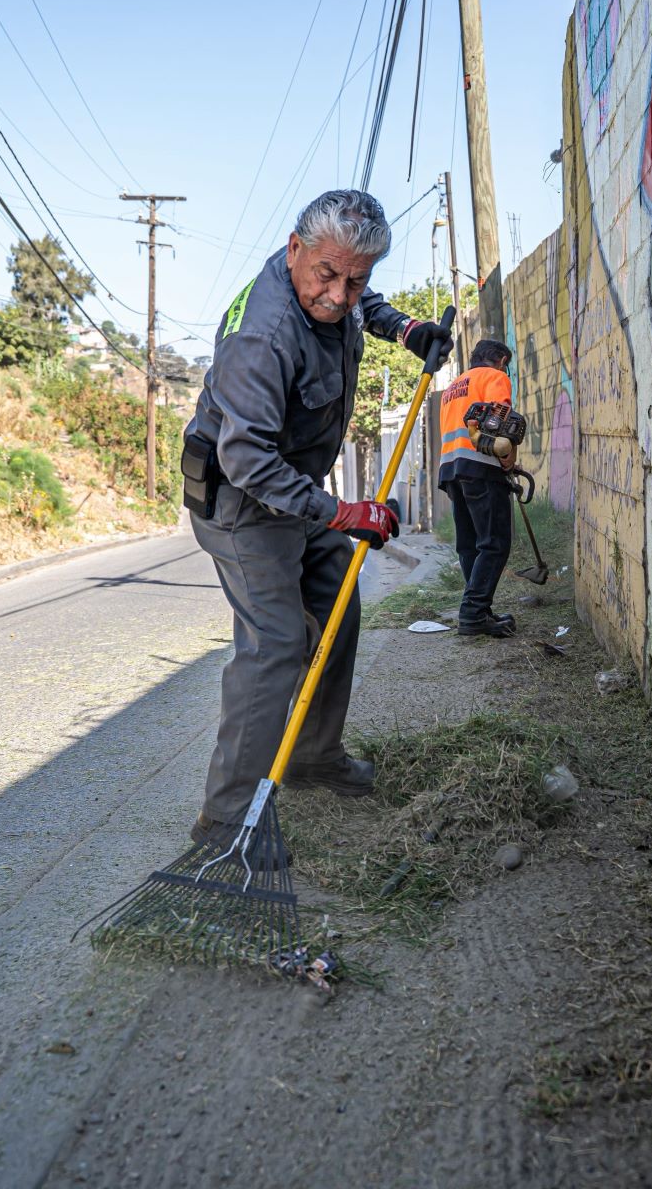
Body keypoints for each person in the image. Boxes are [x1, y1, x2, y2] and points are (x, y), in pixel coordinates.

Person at [180, 190, 453, 845]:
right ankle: (225, 818)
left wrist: (405, 329)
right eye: (327, 276)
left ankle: (311, 756)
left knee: (338, 608)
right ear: (294, 249)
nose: (338, 294)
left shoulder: (339, 286)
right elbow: (245, 458)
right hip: (241, 499)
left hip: (295, 486)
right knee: (276, 642)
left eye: (355, 280)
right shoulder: (263, 336)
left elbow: (360, 311)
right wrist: (342, 512)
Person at [438, 339, 517, 637]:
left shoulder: (452, 387)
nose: (504, 369)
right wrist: (508, 457)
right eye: (504, 363)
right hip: (481, 467)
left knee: (470, 544)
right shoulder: (494, 377)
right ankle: (472, 613)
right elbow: (500, 419)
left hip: (451, 469)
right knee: (494, 542)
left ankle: (479, 611)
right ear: (498, 359)